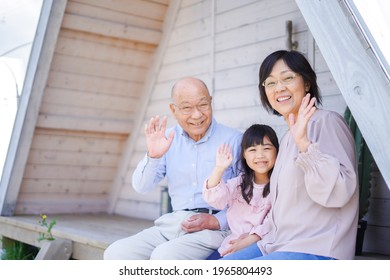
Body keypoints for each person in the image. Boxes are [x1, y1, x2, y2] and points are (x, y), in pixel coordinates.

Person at [223, 50, 359, 260]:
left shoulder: (327, 122)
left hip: (317, 248)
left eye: (288, 78)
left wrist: (304, 144)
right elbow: (283, 207)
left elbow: (340, 191)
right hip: (277, 242)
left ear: (306, 83)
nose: (279, 88)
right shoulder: (287, 138)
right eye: (270, 83)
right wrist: (253, 237)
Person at [103, 77, 242, 260]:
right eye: (186, 108)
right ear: (173, 110)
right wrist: (154, 155)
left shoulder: (235, 139)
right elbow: (141, 186)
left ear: (210, 102)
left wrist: (217, 220)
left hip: (215, 229)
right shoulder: (167, 139)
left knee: (164, 257)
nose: (197, 115)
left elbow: (249, 195)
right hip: (175, 224)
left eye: (202, 105)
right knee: (116, 253)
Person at [203, 124, 279, 260]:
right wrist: (219, 169)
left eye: (267, 148)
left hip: (262, 247)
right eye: (253, 150)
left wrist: (249, 240)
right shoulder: (239, 184)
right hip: (232, 244)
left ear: (276, 151)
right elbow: (216, 201)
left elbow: (273, 222)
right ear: (244, 154)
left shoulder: (280, 185)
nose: (260, 155)